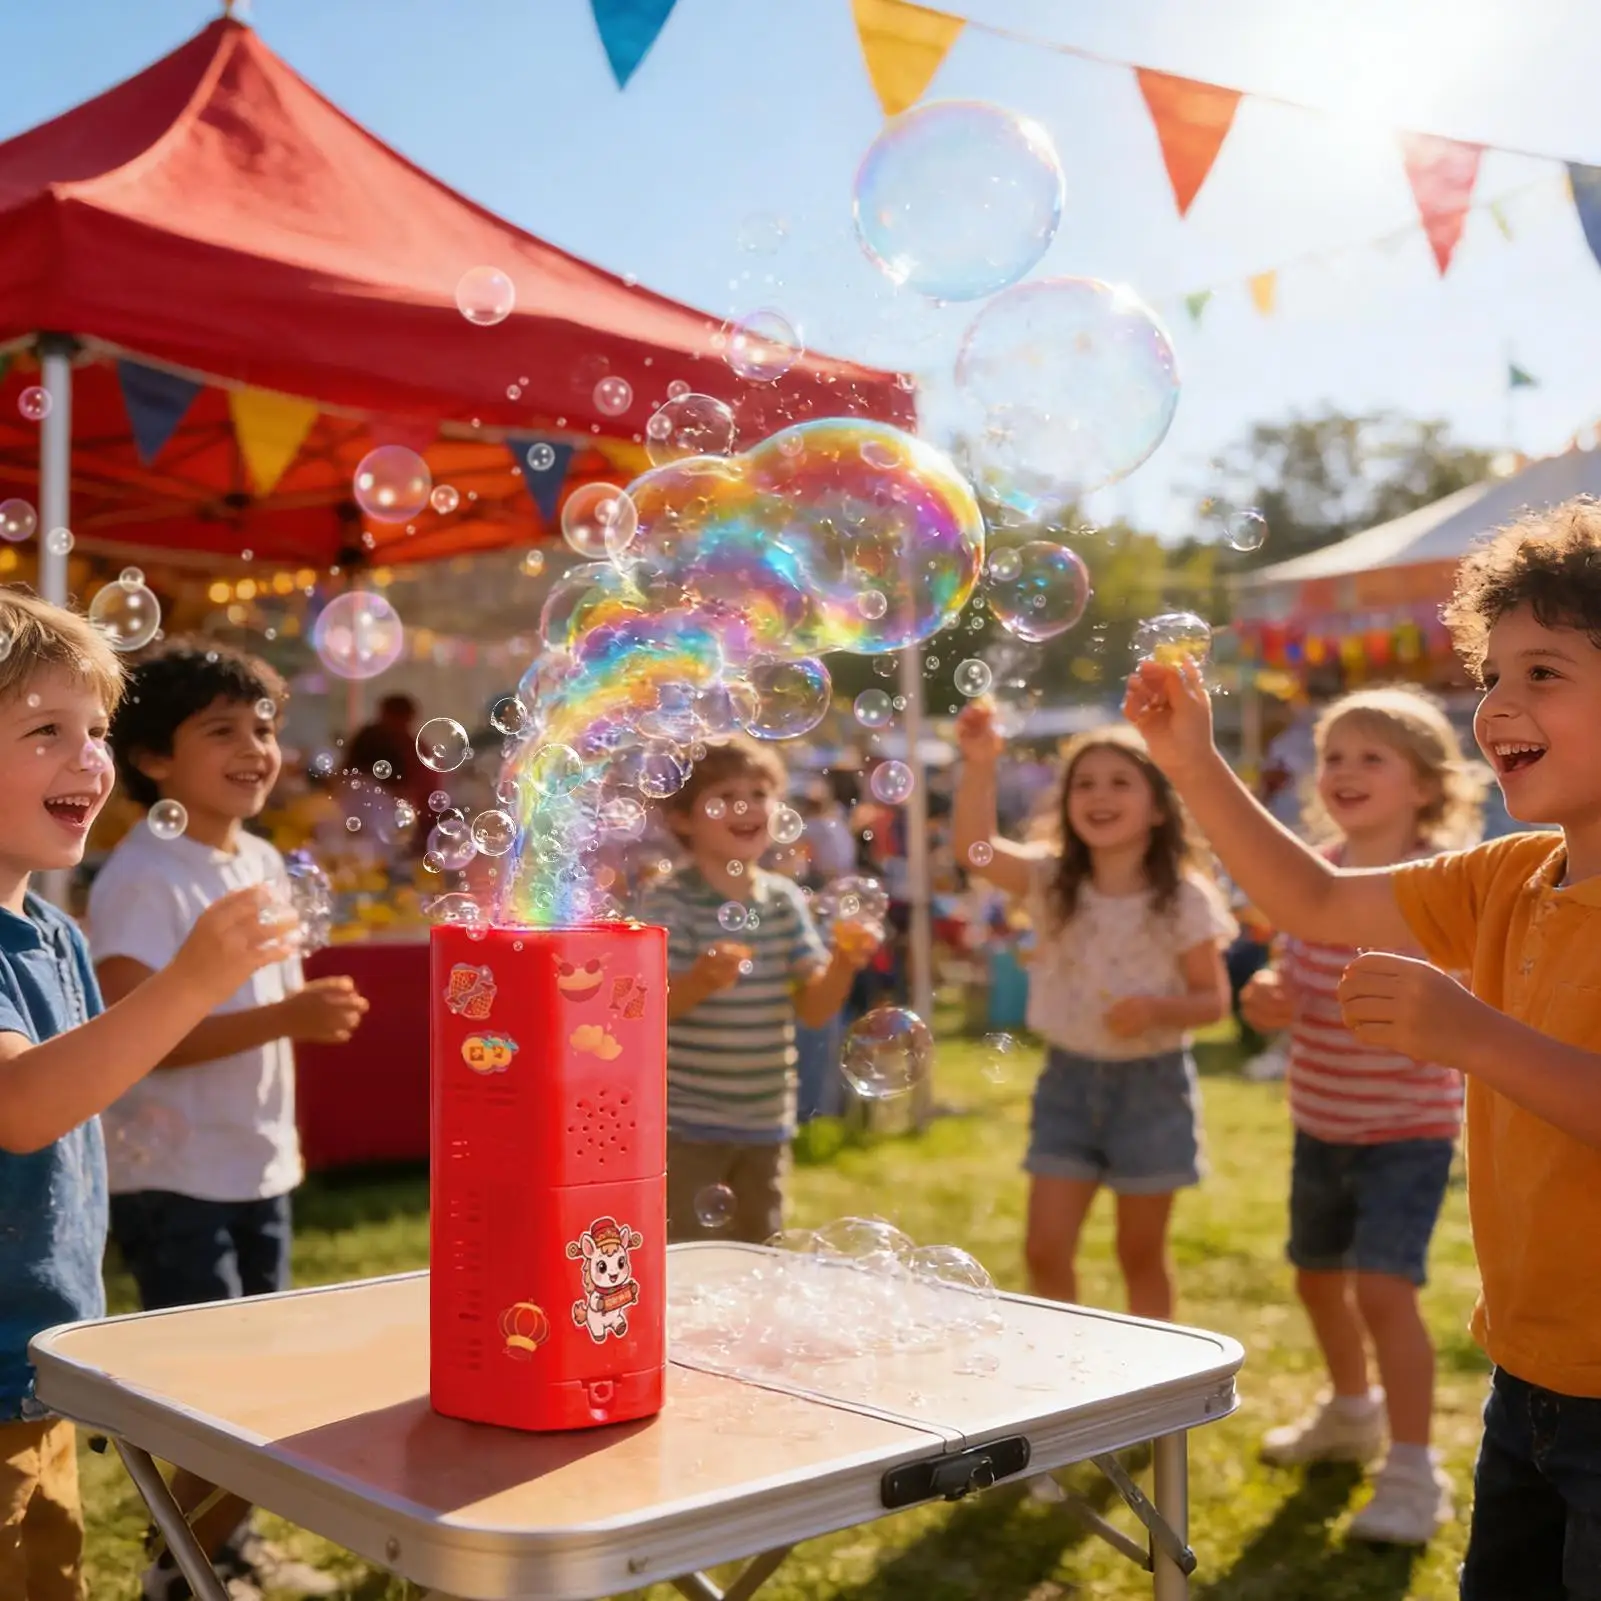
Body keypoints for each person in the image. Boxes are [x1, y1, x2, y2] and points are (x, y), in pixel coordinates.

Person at [1123, 496, 1601, 1589]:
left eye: (1542, 672)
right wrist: (1191, 763)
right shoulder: (1504, 876)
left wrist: (1471, 1034)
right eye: (1491, 673)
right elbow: (1315, 898)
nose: (1497, 704)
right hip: (1524, 1375)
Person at [0, 589, 296, 1601]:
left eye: (94, 730)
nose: (90, 758)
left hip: (36, 1352)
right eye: (47, 730)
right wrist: (193, 981)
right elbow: (21, 1104)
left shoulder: (55, 934)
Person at [90, 641, 368, 1601]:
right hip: (175, 1179)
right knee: (212, 1391)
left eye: (264, 727)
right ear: (153, 759)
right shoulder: (143, 874)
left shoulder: (257, 858)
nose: (254, 748)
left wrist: (291, 1026)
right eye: (222, 730)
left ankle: (224, 1546)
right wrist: (289, 1018)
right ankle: (180, 1569)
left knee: (260, 1381)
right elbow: (142, 1034)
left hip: (254, 1164)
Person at [1238, 686, 1485, 1543]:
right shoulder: (1310, 871)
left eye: (1369, 757)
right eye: (1332, 756)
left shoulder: (1447, 883)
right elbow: (1290, 980)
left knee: (1383, 1288)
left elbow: (1473, 1002)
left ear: (1425, 784)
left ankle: (1413, 1471)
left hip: (1408, 1131)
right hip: (1321, 1121)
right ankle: (1351, 1409)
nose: (1343, 770)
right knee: (1314, 1277)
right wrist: (1267, 997)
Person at [953, 709, 1234, 1322]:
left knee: (1140, 1254)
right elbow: (976, 851)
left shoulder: (1184, 897)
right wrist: (979, 765)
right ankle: (1065, 1368)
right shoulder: (1053, 880)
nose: (1099, 796)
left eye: (1119, 782)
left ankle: (1158, 1378)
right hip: (1069, 1082)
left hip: (1153, 1088)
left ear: (1158, 808)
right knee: (1044, 1249)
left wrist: (1157, 1009)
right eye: (1084, 784)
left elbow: (1213, 1001)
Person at [637, 737, 880, 1244]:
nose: (746, 807)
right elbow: (646, 1012)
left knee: (759, 1251)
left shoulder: (782, 901)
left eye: (758, 794)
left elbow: (814, 1010)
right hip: (685, 1125)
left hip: (766, 1121)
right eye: (725, 797)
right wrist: (700, 980)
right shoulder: (670, 903)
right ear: (682, 819)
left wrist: (843, 961)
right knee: (688, 1255)